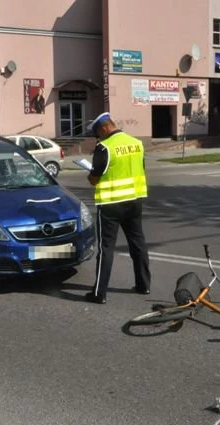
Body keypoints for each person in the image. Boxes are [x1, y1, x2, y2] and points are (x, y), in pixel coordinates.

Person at [84, 112, 151, 304]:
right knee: (138, 243)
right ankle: (143, 285)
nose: (98, 138)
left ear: (104, 128)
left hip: (111, 204)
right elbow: (141, 169)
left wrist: (89, 174)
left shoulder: (104, 147)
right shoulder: (137, 143)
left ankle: (99, 293)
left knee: (106, 248)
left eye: (98, 133)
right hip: (134, 201)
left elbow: (94, 178)